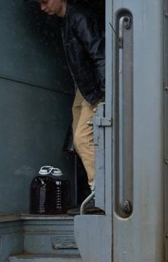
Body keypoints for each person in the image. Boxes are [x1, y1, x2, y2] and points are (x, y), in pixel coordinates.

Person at [37, 0, 105, 214]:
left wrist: (104, 92)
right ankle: (97, 189)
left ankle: (101, 194)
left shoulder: (79, 18)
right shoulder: (66, 20)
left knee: (83, 138)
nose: (42, 8)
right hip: (83, 88)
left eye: (45, 1)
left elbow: (99, 54)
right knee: (79, 140)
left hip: (93, 88)